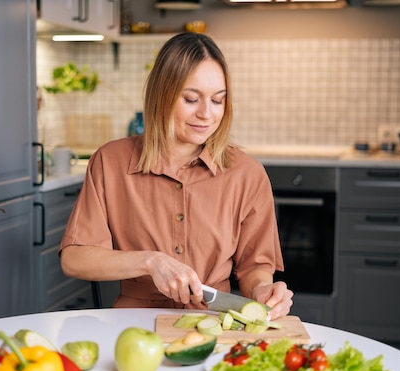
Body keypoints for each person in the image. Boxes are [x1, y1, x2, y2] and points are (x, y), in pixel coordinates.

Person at [58, 32, 293, 320]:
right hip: (133, 324)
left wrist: (262, 292)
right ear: (163, 95)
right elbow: (74, 259)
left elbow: (255, 267)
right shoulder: (110, 161)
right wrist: (149, 262)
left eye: (218, 101)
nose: (207, 114)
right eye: (191, 99)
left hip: (216, 322)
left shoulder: (247, 174)